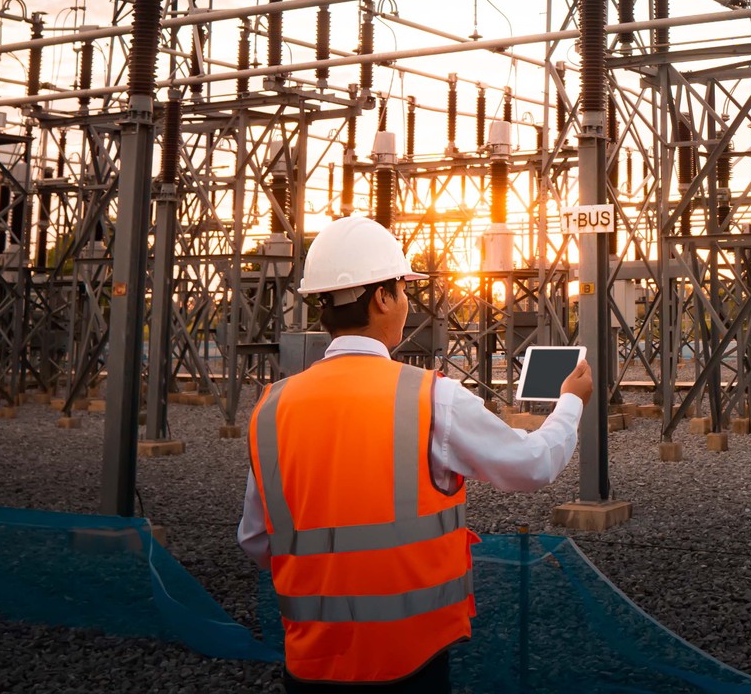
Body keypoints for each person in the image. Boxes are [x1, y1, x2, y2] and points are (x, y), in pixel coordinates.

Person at [239, 216, 591, 693]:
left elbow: (258, 541)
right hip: (408, 665)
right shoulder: (428, 398)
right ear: (382, 297)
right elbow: (533, 464)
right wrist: (572, 402)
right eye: (403, 290)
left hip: (310, 664)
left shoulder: (271, 407)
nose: (406, 303)